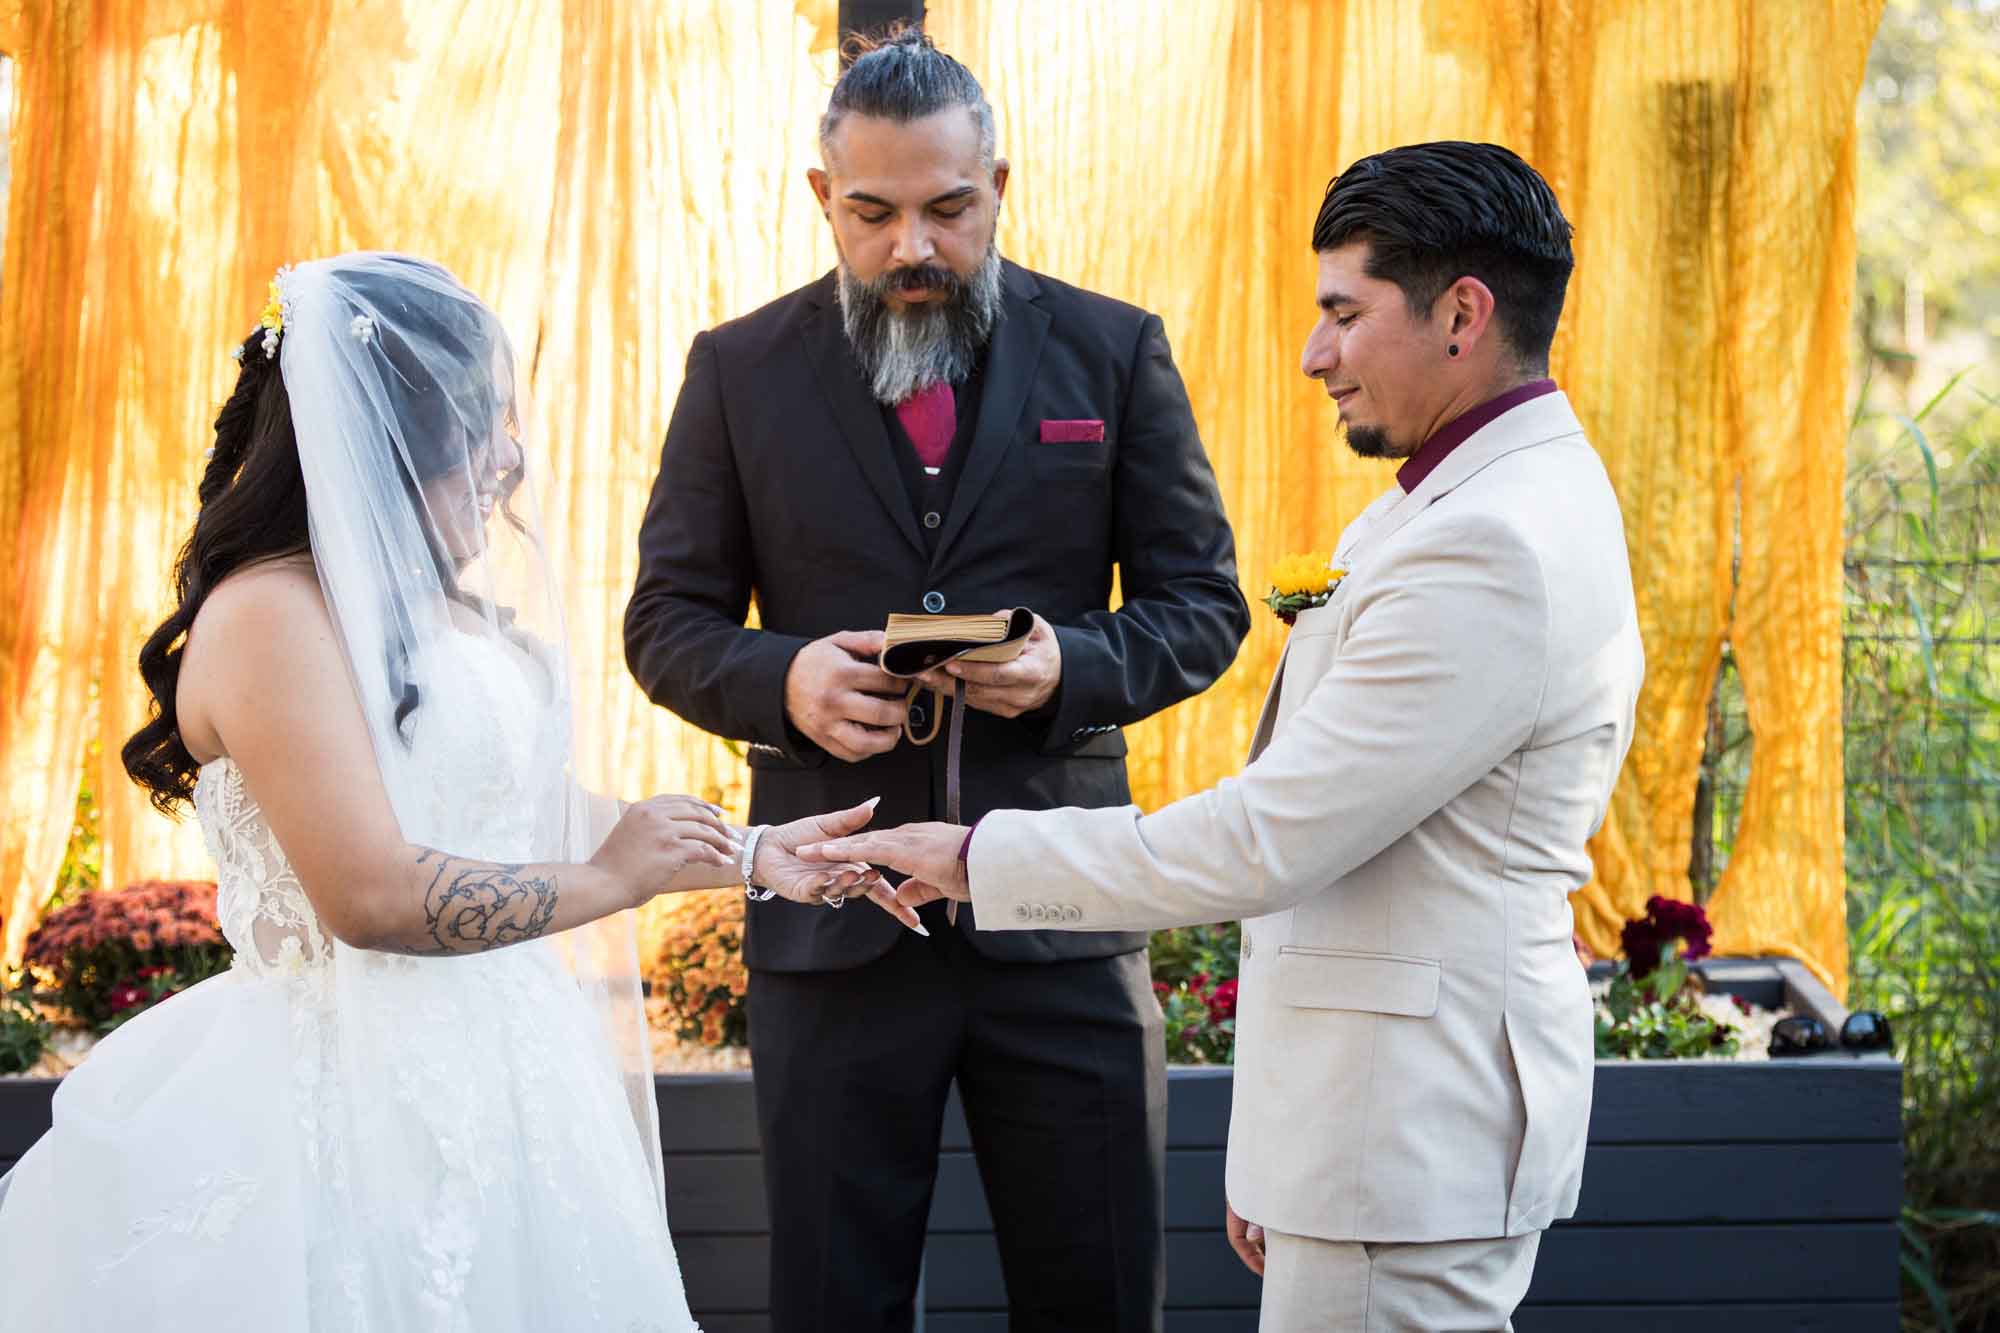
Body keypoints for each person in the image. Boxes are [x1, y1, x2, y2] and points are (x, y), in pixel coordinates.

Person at [802, 141, 1647, 1333]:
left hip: (1406, 1135)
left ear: (1461, 314)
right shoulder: (1467, 496)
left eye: (1342, 315)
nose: (1314, 356)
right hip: (1370, 1130)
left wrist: (972, 857)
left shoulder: (1489, 542)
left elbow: (1270, 837)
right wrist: (1276, 1142)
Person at [0, 253, 899, 1329]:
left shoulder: (444, 613)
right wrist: (611, 882)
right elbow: (371, 897)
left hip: (517, 1082)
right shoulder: (270, 616)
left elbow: (530, 806)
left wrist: (753, 855)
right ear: (395, 440)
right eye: (484, 424)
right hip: (340, 1102)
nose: (507, 457)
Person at [623, 29, 1250, 1333]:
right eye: (876, 213)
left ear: (1000, 185)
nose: (913, 245)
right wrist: (782, 677)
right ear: (821, 201)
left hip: (1066, 922)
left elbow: (1206, 605)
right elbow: (665, 621)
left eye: (948, 209)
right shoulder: (737, 374)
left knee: (1099, 1302)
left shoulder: (1114, 351)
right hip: (835, 933)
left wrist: (1074, 663)